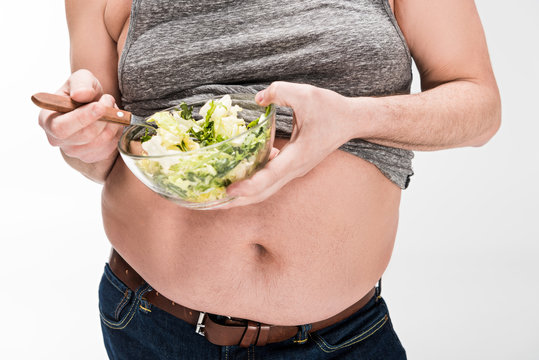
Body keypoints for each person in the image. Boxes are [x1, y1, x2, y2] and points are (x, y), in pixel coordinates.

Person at [38, 0, 500, 358]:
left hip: (341, 337)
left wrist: (356, 117)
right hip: (155, 325)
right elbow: (101, 156)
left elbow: (479, 107)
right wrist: (84, 139)